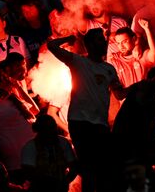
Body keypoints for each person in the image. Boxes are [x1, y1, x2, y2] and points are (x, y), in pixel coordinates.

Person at [47, 29, 129, 192]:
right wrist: (69, 38)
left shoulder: (109, 69)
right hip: (80, 123)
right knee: (89, 169)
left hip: (100, 124)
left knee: (105, 168)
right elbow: (51, 45)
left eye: (103, 40)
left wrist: (140, 86)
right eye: (99, 40)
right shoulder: (77, 61)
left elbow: (120, 94)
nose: (104, 43)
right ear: (90, 45)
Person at [21, 114, 78, 192]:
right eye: (48, 129)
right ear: (39, 130)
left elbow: (74, 167)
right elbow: (28, 173)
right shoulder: (30, 147)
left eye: (53, 128)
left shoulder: (63, 142)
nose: (52, 132)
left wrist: (64, 182)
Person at [108, 20, 155, 88]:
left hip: (145, 96)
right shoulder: (114, 59)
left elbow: (154, 54)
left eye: (124, 42)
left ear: (133, 39)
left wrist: (147, 30)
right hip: (127, 98)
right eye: (118, 43)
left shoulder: (141, 55)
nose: (121, 46)